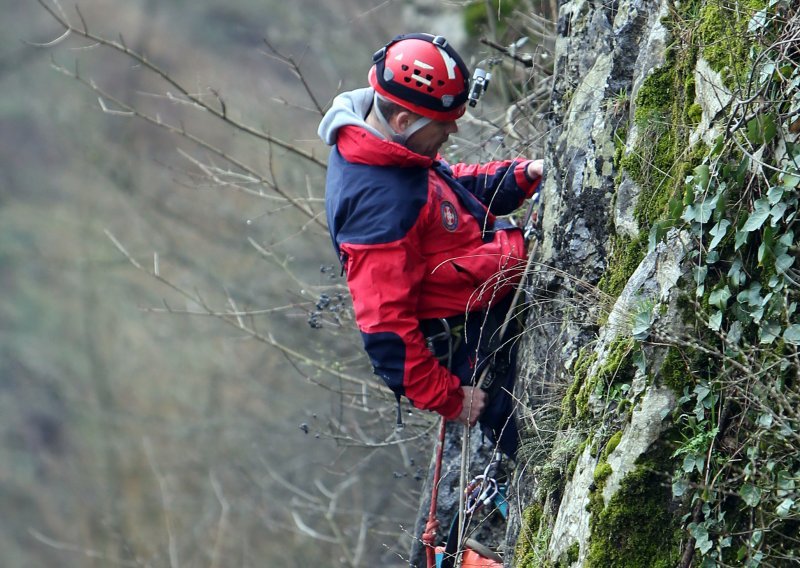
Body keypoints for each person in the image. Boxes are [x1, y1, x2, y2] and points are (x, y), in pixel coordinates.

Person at [318, 33, 542, 457]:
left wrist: (519, 177)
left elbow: (445, 193)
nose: (454, 129)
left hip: (490, 311)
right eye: (444, 123)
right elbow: (385, 331)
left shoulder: (391, 152)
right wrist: (450, 398)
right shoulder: (376, 208)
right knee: (541, 449)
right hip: (474, 345)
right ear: (404, 121)